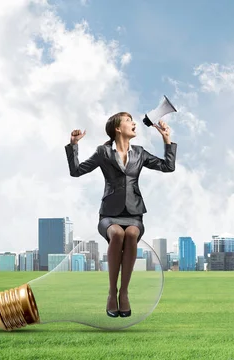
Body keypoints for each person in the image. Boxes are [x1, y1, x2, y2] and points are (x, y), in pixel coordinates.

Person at [64, 112, 176, 318]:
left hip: (134, 214)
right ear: (117, 128)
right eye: (128, 120)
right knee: (117, 234)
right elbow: (76, 171)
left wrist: (166, 139)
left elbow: (168, 167)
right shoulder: (103, 152)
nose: (134, 123)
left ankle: (124, 292)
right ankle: (111, 292)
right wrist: (73, 145)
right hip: (109, 215)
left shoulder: (140, 153)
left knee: (131, 234)